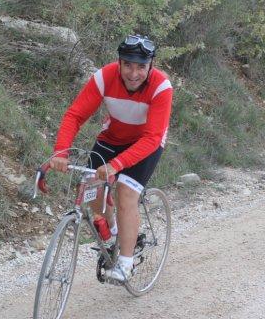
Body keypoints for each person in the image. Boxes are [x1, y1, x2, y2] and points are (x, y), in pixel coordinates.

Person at [49, 34, 173, 282]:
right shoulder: (104, 77)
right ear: (119, 62)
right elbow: (75, 115)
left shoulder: (161, 87)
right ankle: (114, 232)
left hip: (146, 143)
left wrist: (117, 165)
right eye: (128, 65)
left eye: (141, 67)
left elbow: (152, 137)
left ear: (151, 66)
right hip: (113, 137)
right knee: (91, 185)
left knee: (125, 192)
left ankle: (125, 263)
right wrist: (61, 152)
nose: (134, 73)